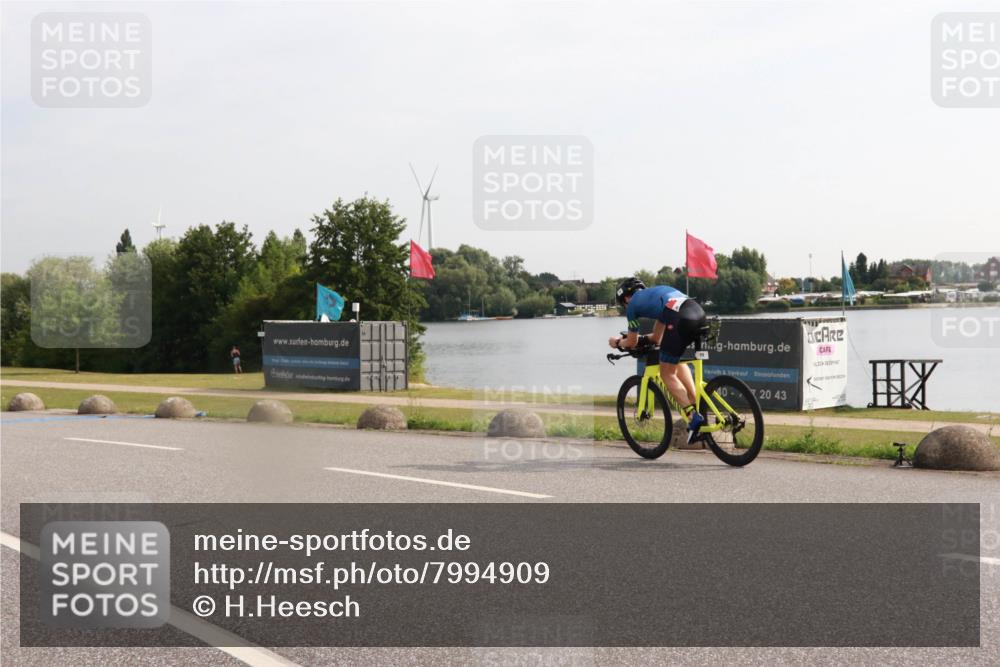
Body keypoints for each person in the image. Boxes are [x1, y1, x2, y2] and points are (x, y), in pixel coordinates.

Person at [607, 277, 707, 441]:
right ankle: (696, 403)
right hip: (697, 312)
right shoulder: (660, 293)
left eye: (623, 303)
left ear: (626, 298)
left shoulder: (632, 306)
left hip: (678, 318)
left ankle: (692, 417)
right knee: (674, 361)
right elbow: (657, 338)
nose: (626, 306)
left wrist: (617, 342)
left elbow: (631, 342)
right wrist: (643, 339)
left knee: (666, 373)